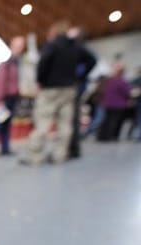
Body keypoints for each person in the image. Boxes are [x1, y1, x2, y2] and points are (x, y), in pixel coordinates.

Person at [20, 21, 96, 165]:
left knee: (43, 123)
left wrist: (40, 80)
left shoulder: (53, 45)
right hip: (69, 89)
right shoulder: (76, 47)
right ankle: (59, 155)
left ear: (54, 32)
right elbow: (92, 60)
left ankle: (35, 156)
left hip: (50, 89)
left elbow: (42, 64)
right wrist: (79, 77)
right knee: (65, 125)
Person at [0, 36, 26, 157]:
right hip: (3, 99)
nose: (20, 49)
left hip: (12, 99)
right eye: (18, 46)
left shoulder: (16, 63)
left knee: (6, 125)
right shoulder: (7, 63)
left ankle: (5, 148)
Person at [66, 27, 96, 159]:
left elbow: (92, 60)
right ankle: (72, 147)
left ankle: (73, 148)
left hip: (74, 87)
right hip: (75, 86)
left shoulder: (78, 48)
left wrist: (80, 76)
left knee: (71, 118)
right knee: (71, 118)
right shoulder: (77, 49)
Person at [97, 64, 132, 142]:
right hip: (118, 104)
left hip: (108, 103)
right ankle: (110, 136)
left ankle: (102, 136)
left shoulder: (109, 80)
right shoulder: (122, 81)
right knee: (114, 121)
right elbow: (127, 92)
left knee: (106, 120)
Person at [129, 67, 141, 141]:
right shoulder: (135, 80)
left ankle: (137, 135)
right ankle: (135, 135)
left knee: (138, 120)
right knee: (137, 120)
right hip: (137, 102)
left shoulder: (136, 80)